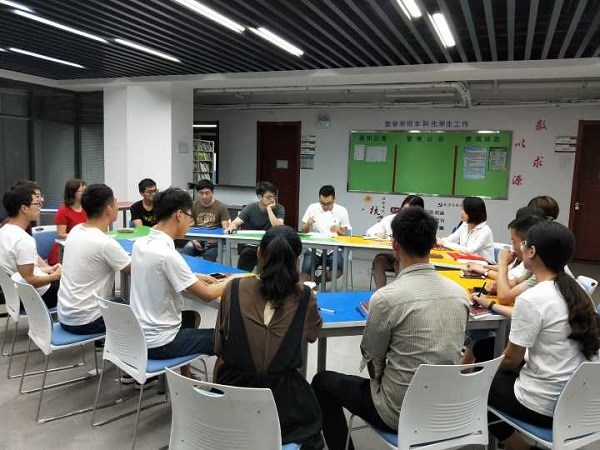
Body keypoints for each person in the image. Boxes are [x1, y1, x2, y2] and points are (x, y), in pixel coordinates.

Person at [311, 207, 469, 450]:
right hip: (444, 408)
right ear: (433, 245)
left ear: (395, 245)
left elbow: (373, 363)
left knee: (322, 382)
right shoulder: (460, 294)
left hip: (398, 413)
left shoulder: (386, 298)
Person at [487, 221, 600, 450]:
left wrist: (483, 369)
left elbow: (511, 361)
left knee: (477, 388)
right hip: (581, 401)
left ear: (532, 251)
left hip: (544, 406)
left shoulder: (532, 298)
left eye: (523, 245)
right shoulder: (580, 293)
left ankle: (524, 447)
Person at [215, 226, 324, 449]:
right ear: (296, 260)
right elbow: (312, 335)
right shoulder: (305, 296)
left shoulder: (234, 287)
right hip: (282, 406)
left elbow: (219, 346)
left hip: (232, 400)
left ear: (259, 253)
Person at [129, 187, 230, 378]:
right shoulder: (168, 254)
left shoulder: (141, 243)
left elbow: (159, 273)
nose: (190, 224)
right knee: (227, 339)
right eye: (190, 217)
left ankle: (185, 375)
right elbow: (207, 295)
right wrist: (234, 281)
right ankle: (215, 390)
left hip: (138, 335)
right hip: (161, 343)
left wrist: (193, 276)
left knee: (191, 317)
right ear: (179, 215)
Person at [57, 184, 131, 335]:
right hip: (87, 321)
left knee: (120, 301)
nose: (117, 205)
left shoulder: (75, 231)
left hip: (65, 316)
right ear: (109, 209)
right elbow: (135, 270)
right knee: (142, 316)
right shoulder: (105, 243)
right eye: (115, 202)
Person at [0, 184, 61, 308]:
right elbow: (29, 280)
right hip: (36, 297)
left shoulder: (4, 230)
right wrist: (55, 276)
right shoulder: (23, 240)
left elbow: (17, 271)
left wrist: (47, 270)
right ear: (24, 208)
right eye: (37, 204)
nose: (40, 207)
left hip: (14, 295)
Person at [366, 195, 424, 289]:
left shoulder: (422, 224)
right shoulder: (391, 219)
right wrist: (377, 234)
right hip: (394, 256)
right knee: (379, 260)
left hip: (412, 261)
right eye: (403, 210)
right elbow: (369, 232)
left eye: (409, 212)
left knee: (398, 263)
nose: (404, 214)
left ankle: (400, 294)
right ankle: (381, 293)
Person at [226, 181, 285, 271]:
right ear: (259, 197)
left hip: (271, 244)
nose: (272, 200)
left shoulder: (279, 208)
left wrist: (269, 209)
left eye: (274, 196)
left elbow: (278, 227)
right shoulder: (250, 207)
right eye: (268, 197)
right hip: (252, 244)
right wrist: (231, 226)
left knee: (277, 256)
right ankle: (242, 277)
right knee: (246, 254)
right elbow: (235, 223)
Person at [299, 185, 351, 284]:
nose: (325, 206)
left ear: (334, 199)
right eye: (322, 203)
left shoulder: (342, 211)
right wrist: (308, 224)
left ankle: (316, 280)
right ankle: (310, 282)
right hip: (314, 248)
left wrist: (338, 230)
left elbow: (345, 235)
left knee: (338, 271)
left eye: (329, 203)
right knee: (304, 277)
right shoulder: (312, 208)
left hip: (333, 249)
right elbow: (303, 231)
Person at [181, 179, 230, 261]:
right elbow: (187, 226)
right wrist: (194, 241)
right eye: (201, 193)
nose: (204, 196)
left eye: (207, 193)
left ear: (212, 192)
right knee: (186, 252)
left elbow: (226, 229)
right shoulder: (193, 205)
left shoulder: (221, 207)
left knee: (209, 255)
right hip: (198, 238)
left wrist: (216, 241)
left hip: (215, 240)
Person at [437, 196, 494, 262]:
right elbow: (451, 239)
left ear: (474, 212)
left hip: (484, 264)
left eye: (465, 210)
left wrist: (444, 244)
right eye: (462, 209)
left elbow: (470, 250)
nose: (461, 213)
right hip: (466, 260)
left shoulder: (485, 231)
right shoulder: (464, 225)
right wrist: (437, 241)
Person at [48, 179, 87, 265]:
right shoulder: (63, 210)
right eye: (82, 191)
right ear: (72, 193)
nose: (85, 193)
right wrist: (81, 236)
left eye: (86, 190)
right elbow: (61, 234)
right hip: (64, 251)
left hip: (81, 247)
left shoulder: (86, 208)